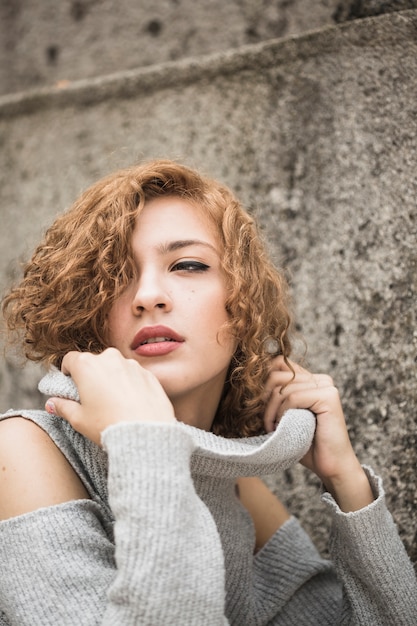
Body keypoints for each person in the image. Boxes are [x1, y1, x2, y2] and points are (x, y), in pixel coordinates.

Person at [0, 159, 415, 625]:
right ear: (88, 312)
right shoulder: (23, 448)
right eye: (115, 275)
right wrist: (146, 441)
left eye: (189, 265)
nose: (148, 295)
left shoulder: (228, 476)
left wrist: (346, 482)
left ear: (243, 304)